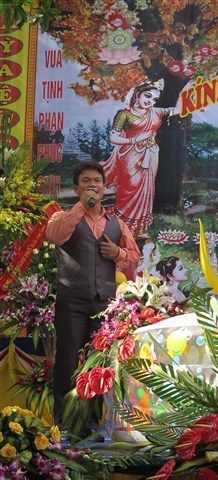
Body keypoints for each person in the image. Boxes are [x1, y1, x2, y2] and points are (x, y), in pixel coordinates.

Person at [46, 160, 140, 433]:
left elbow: (134, 258)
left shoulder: (117, 224)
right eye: (86, 181)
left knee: (98, 364)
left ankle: (92, 424)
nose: (92, 185)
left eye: (97, 181)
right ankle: (63, 424)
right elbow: (54, 236)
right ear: (77, 189)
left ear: (104, 187)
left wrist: (118, 254)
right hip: (72, 301)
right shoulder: (62, 217)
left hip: (104, 303)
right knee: (67, 362)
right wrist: (80, 208)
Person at [102, 78, 191, 237]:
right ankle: (121, 222)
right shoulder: (125, 114)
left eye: (154, 99)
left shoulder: (156, 112)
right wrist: (134, 140)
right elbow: (113, 138)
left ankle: (138, 227)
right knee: (131, 185)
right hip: (130, 154)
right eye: (147, 96)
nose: (150, 101)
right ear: (138, 95)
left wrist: (186, 90)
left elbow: (178, 109)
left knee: (146, 188)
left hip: (151, 153)